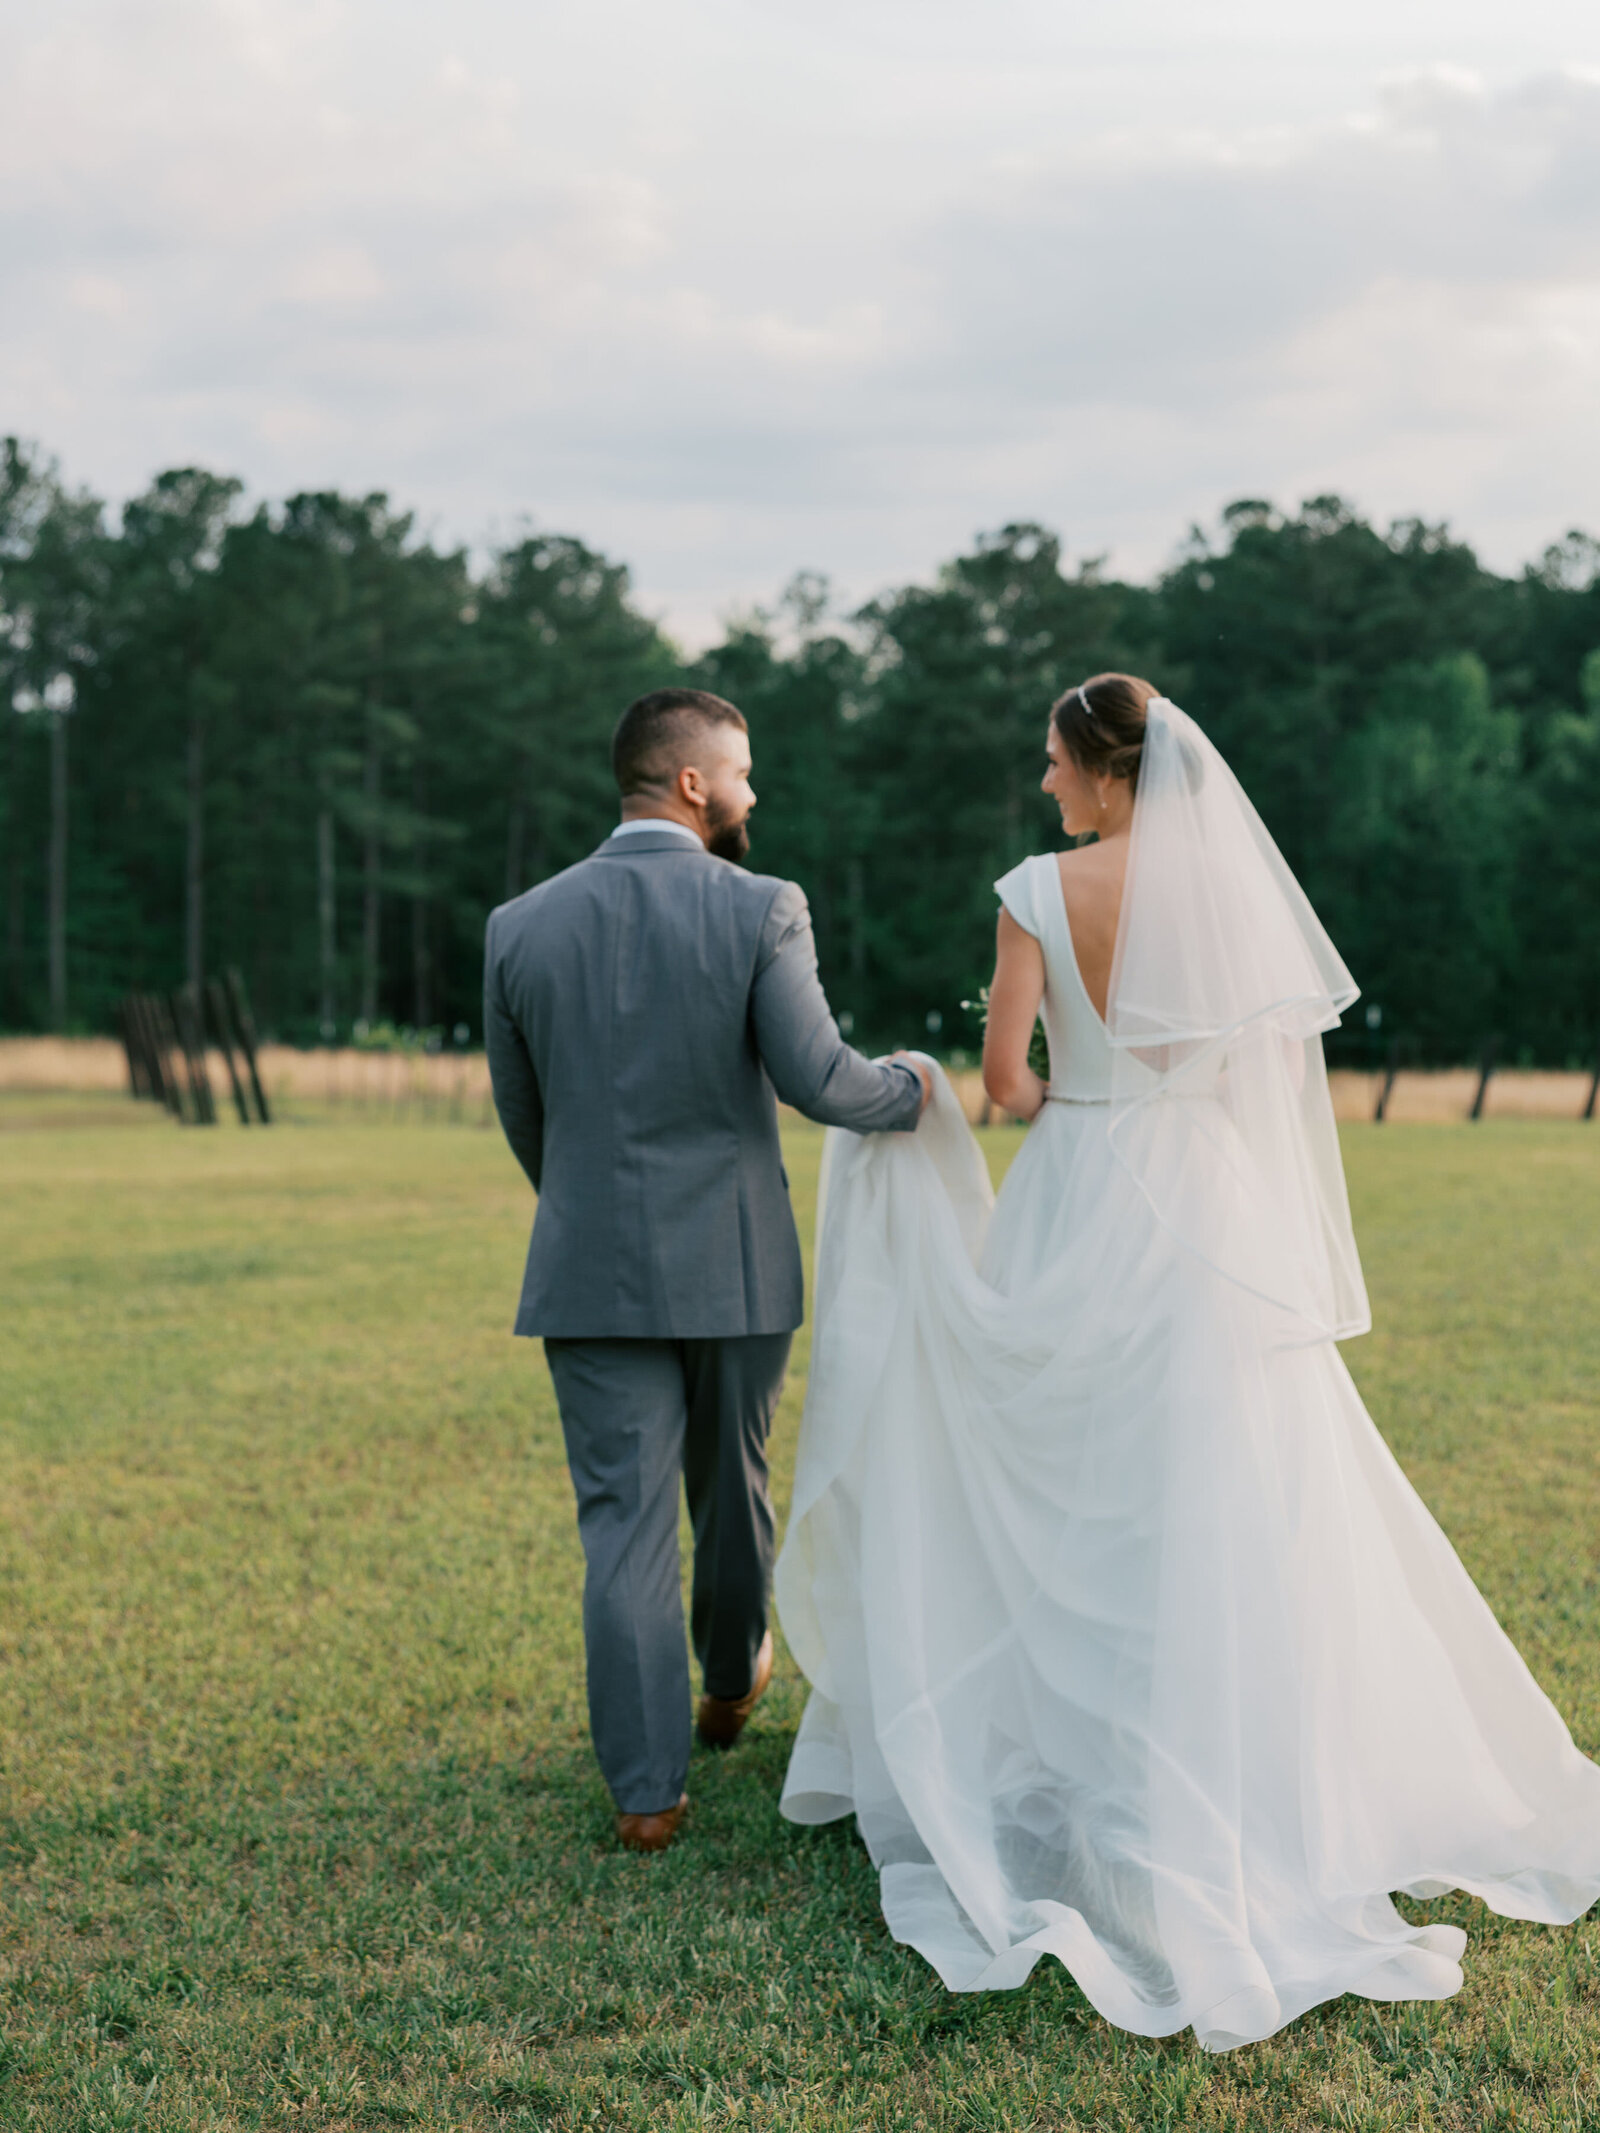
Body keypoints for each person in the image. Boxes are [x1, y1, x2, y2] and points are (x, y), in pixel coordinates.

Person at [775, 675, 1600, 2050]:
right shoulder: (1228, 892)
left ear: (1103, 772)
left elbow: (1006, 1086)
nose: (1044, 786)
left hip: (1082, 1183)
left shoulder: (1037, 890)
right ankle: (1256, 1763)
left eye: (1053, 763)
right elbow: (1257, 1082)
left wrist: (1036, 1090)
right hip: (1208, 1206)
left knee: (1072, 1480)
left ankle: (1079, 1760)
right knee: (1233, 1481)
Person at [484, 686, 930, 1853]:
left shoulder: (517, 924)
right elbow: (820, 1079)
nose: (751, 793)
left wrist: (589, 1210)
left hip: (586, 1267)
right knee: (731, 1489)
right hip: (733, 1264)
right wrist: (918, 1091)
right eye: (740, 773)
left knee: (621, 1525)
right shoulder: (761, 907)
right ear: (690, 783)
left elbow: (525, 1118)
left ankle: (646, 1799)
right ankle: (731, 1680)